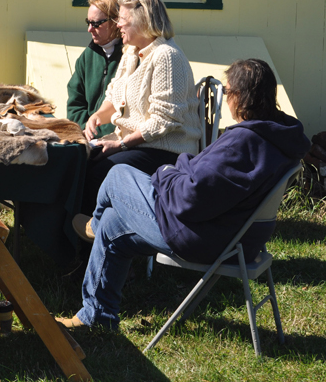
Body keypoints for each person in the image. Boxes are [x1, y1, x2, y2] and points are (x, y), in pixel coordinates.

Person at [58, 59, 310, 329]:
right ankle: (96, 317)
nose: (226, 100)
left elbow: (189, 198)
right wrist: (183, 168)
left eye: (227, 92)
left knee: (119, 175)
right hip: (237, 237)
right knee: (113, 224)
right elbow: (204, 182)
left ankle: (93, 224)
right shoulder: (277, 136)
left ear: (238, 96)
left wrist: (167, 172)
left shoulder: (245, 142)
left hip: (202, 237)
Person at [78, 0, 201, 216]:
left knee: (99, 172)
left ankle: (97, 236)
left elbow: (165, 121)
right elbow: (114, 96)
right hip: (137, 144)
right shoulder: (131, 52)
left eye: (122, 21)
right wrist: (96, 117)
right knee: (79, 164)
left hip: (167, 150)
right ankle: (77, 236)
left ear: (142, 22)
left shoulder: (166, 56)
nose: (118, 26)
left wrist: (121, 145)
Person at [67, 0, 123, 139]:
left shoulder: (132, 57)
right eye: (88, 22)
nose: (90, 29)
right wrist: (86, 128)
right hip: (86, 136)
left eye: (96, 24)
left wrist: (102, 134)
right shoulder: (87, 56)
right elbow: (75, 103)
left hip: (117, 139)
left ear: (115, 22)